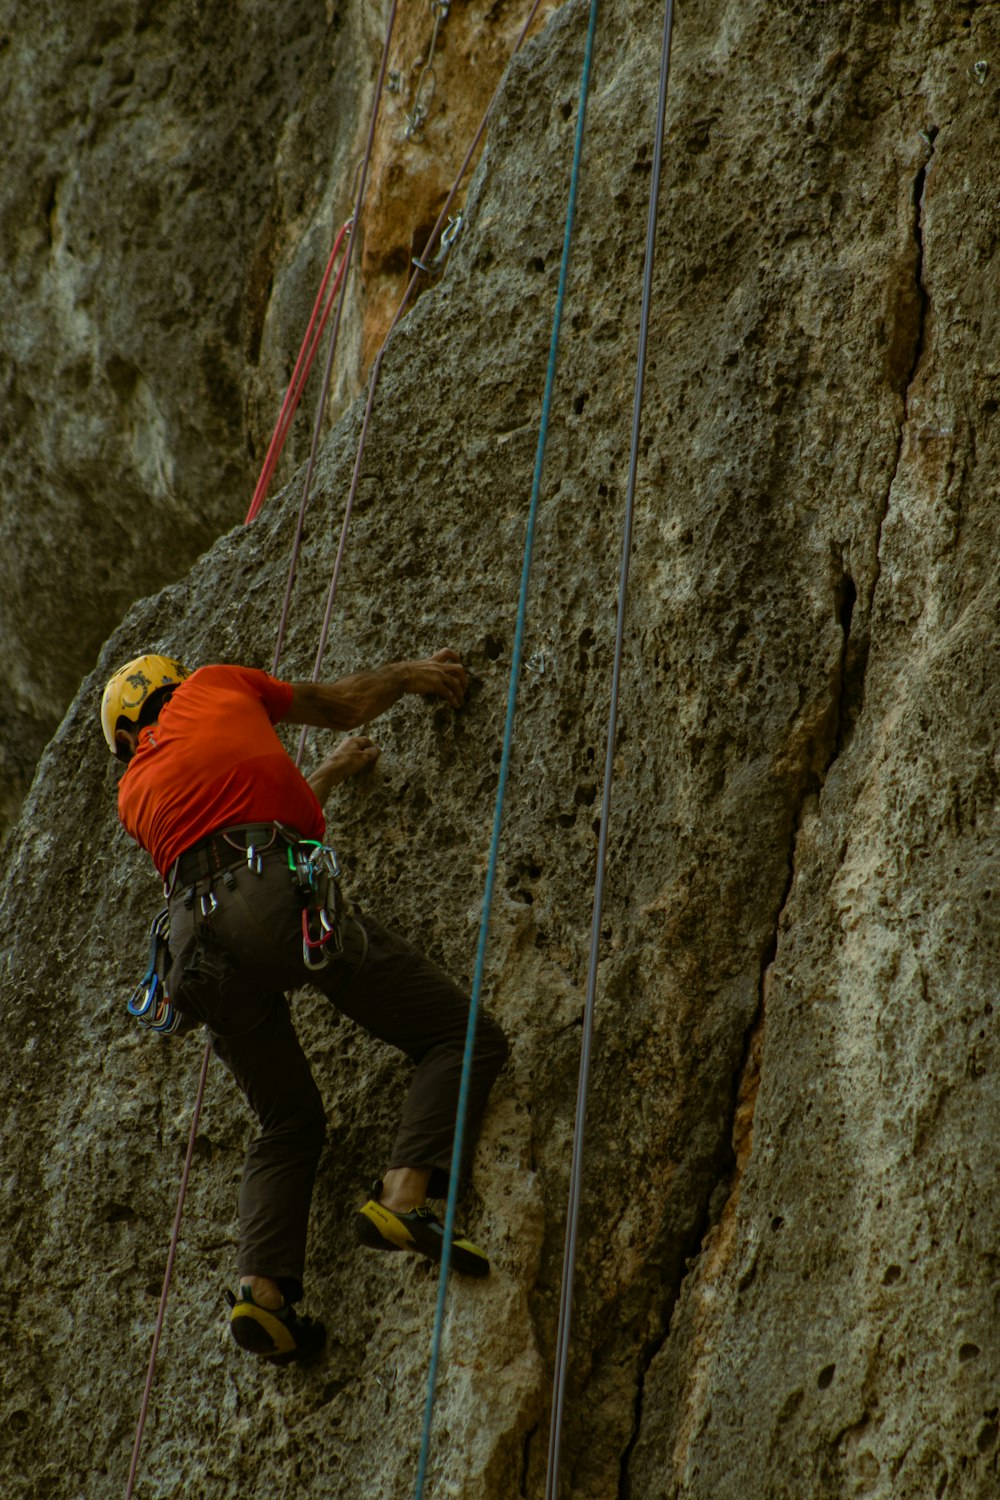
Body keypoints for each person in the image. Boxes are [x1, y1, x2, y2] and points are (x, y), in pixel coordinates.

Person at [101, 650, 507, 1364]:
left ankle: (262, 1296)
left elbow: (233, 825)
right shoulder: (217, 683)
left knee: (286, 1121)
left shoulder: (133, 790)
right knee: (460, 1034)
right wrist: (410, 675)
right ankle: (405, 1196)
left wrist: (331, 776)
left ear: (130, 740)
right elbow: (341, 705)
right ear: (175, 686)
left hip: (193, 949)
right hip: (270, 899)